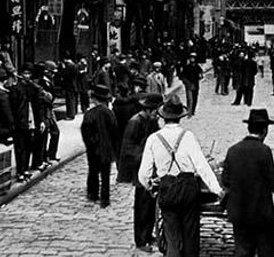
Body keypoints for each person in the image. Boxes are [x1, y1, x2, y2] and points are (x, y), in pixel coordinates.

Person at [138, 95, 223, 257]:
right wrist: (217, 190)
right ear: (180, 117)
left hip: (167, 188)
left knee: (171, 236)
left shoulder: (154, 139)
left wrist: (150, 188)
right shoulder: (188, 136)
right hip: (188, 189)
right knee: (191, 234)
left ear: (163, 117)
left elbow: (143, 174)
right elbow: (202, 166)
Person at [222, 109, 274, 257]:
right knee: (266, 252)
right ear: (264, 130)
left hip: (240, 214)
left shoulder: (233, 150)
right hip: (261, 215)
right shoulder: (264, 151)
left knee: (242, 252)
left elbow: (225, 181)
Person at [118, 93, 164, 253]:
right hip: (142, 170)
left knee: (151, 205)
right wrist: (146, 156)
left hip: (152, 170)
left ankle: (148, 234)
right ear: (151, 109)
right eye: (157, 110)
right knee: (142, 207)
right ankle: (140, 239)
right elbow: (128, 148)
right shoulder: (135, 122)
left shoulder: (151, 121)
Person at [81, 85, 118, 208]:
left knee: (93, 171)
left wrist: (90, 144)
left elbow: (85, 132)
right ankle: (105, 198)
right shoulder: (109, 113)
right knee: (105, 174)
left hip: (93, 149)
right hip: (107, 148)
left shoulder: (90, 114)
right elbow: (114, 130)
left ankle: (93, 193)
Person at [10, 63, 46, 181]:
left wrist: (41, 121)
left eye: (29, 74)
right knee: (20, 147)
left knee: (28, 145)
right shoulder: (16, 89)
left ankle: (25, 168)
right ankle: (20, 170)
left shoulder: (33, 88)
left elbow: (39, 106)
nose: (27, 76)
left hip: (31, 119)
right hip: (20, 121)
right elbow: (13, 108)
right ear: (21, 74)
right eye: (25, 73)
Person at [37, 61, 60, 163]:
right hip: (45, 110)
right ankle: (44, 157)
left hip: (50, 110)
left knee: (55, 132)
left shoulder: (50, 81)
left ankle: (51, 154)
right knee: (45, 134)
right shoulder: (41, 82)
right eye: (52, 72)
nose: (53, 75)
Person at [180, 52, 203, 117]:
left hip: (195, 84)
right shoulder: (186, 67)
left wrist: (200, 76)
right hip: (189, 85)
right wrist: (186, 82)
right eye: (191, 58)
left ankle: (192, 110)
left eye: (193, 58)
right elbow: (182, 76)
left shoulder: (197, 67)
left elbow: (201, 74)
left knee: (195, 98)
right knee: (190, 99)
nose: (192, 59)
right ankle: (189, 111)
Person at [61, 52, 79, 120]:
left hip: (69, 84)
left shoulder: (68, 66)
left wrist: (63, 69)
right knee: (73, 99)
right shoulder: (75, 65)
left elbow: (65, 75)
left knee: (69, 100)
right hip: (74, 84)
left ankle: (70, 114)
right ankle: (74, 112)